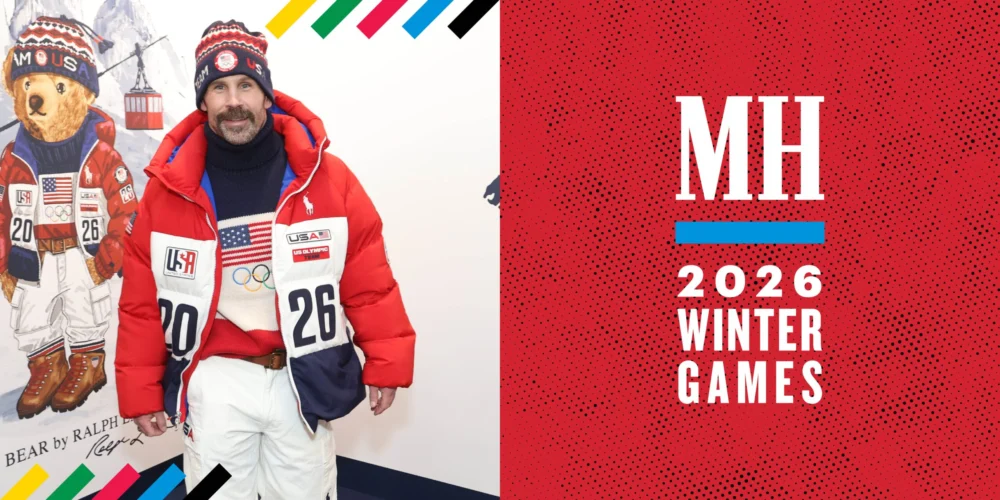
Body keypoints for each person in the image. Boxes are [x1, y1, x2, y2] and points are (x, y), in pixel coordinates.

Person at [114, 20, 416, 499]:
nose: (233, 101)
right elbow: (141, 304)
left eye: (246, 85)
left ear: (266, 94)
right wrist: (141, 389)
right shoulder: (167, 191)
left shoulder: (325, 177)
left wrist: (386, 360)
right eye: (218, 88)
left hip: (300, 379)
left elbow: (368, 279)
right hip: (216, 383)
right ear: (203, 101)